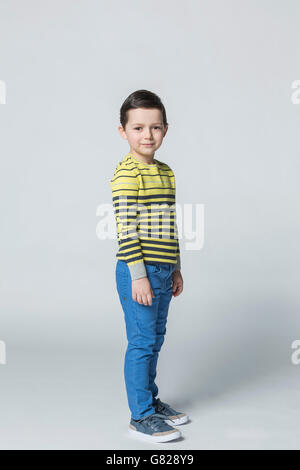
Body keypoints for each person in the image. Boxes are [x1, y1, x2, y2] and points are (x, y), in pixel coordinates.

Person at [110, 89, 188, 443]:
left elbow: (170, 225)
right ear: (123, 131)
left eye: (154, 127)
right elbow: (126, 228)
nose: (147, 135)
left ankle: (151, 403)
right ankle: (140, 416)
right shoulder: (127, 174)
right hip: (137, 271)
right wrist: (139, 277)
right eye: (138, 127)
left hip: (162, 269)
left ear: (165, 130)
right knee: (141, 342)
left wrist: (175, 267)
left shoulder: (166, 172)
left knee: (155, 340)